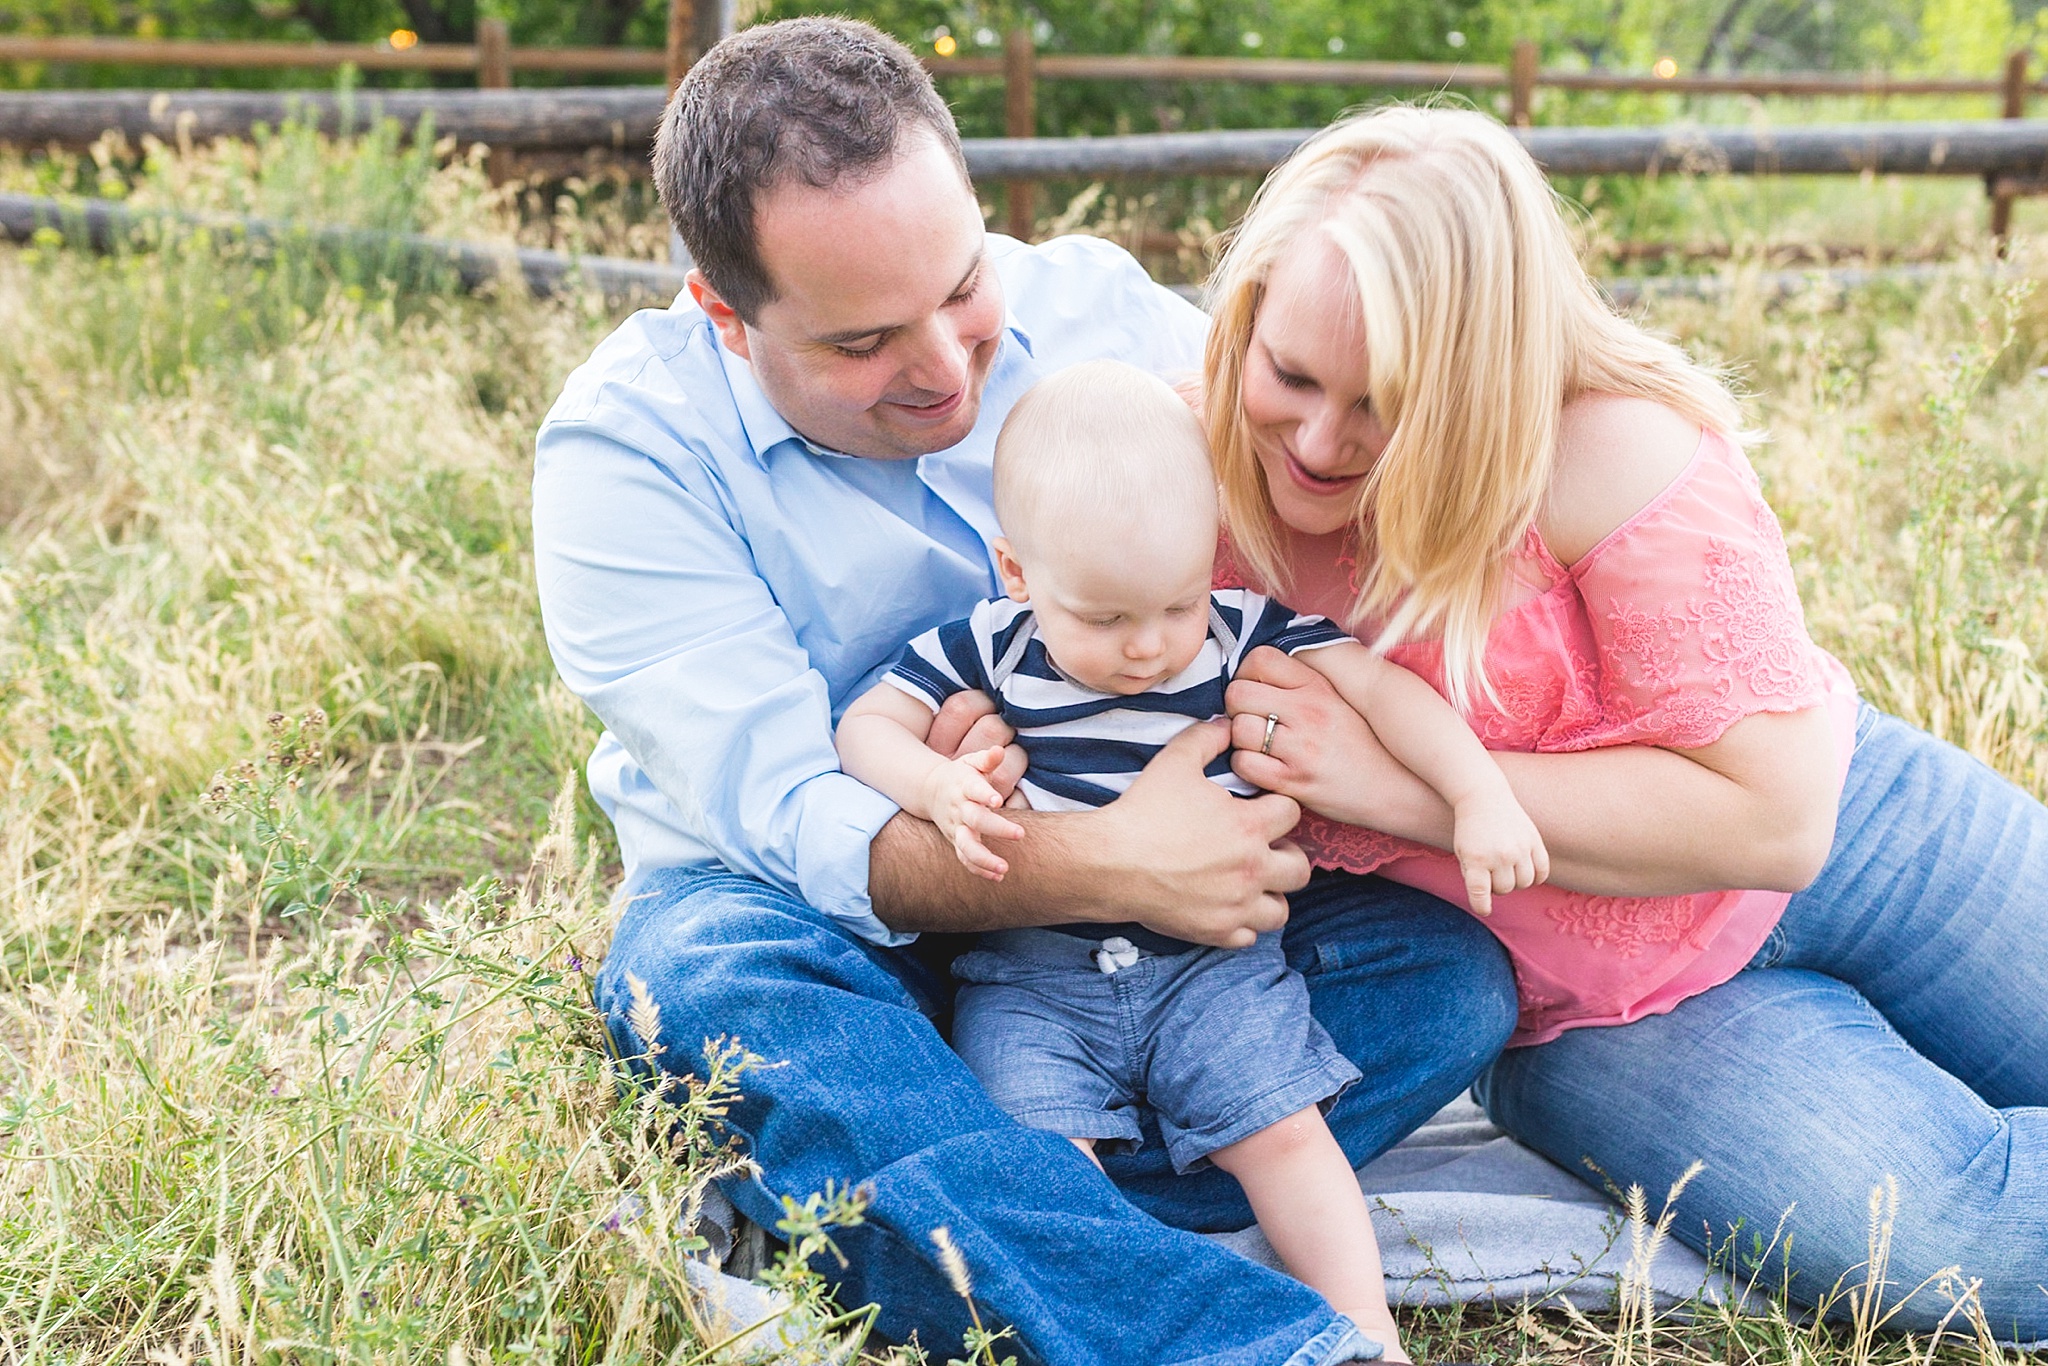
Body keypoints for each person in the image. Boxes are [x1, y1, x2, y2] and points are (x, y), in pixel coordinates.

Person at [532, 20, 1518, 1363]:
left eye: (962, 283)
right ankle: (1254, 1337)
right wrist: (1108, 860)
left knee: (1447, 978)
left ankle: (853, 1212)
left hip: (1145, 969)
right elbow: (793, 815)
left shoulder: (1106, 313)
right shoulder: (626, 455)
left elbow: (1335, 500)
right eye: (869, 339)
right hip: (829, 935)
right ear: (725, 310)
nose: (946, 364)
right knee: (697, 976)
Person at [1200, 104, 2048, 1340]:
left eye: (1385, 403)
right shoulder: (1190, 489)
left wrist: (1389, 784)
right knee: (1958, 1245)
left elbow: (1778, 818)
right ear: (1244, 320)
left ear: (1481, 384)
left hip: (1860, 837)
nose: (1319, 443)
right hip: (1599, 1014)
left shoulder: (1608, 448)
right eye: (1288, 374)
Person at [835, 360, 1549, 1362]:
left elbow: (1387, 694)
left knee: (1283, 1131)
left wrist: (1476, 795)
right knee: (1048, 1174)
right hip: (1030, 980)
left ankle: (1366, 1331)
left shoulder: (1231, 628)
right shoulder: (988, 646)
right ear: (1016, 573)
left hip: (1210, 968)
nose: (1147, 647)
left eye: (1173, 604)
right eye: (1103, 618)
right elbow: (866, 726)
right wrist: (928, 784)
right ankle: (1112, 1322)